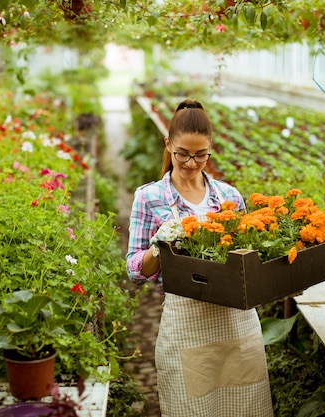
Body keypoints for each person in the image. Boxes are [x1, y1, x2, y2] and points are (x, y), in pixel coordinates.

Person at [126, 99, 274, 417]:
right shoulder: (149, 197)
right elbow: (134, 271)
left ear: (210, 149)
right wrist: (157, 248)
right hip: (185, 328)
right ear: (168, 144)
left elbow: (247, 261)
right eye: (182, 153)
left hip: (238, 325)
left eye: (200, 155)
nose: (191, 163)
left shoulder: (230, 197)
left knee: (245, 408)